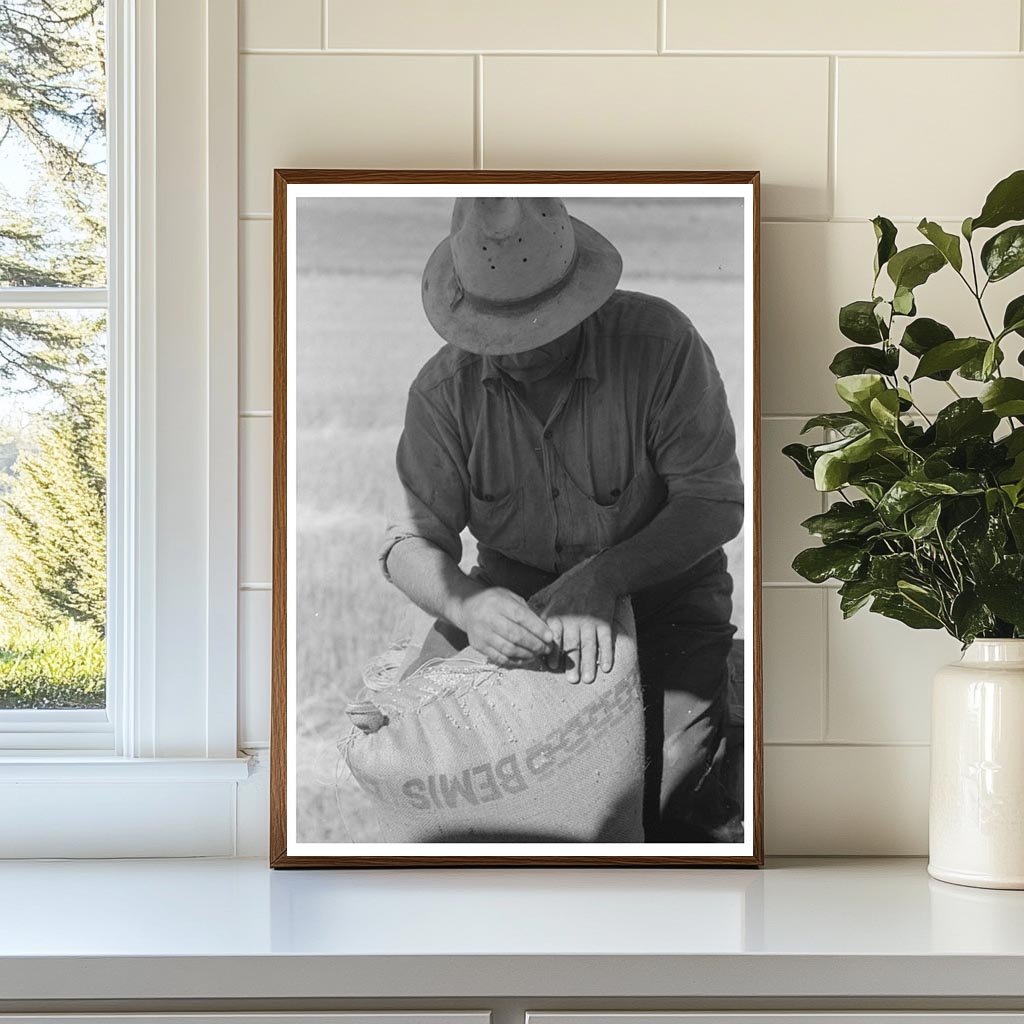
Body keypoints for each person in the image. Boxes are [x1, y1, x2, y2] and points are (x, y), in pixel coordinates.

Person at [379, 197, 744, 840]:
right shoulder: (442, 393)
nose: (518, 352)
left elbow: (713, 503)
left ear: (584, 297)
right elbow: (409, 542)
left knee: (670, 796)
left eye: (539, 327)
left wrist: (605, 578)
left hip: (665, 595)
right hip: (511, 601)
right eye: (499, 333)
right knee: (417, 752)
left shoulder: (662, 347)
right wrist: (469, 607)